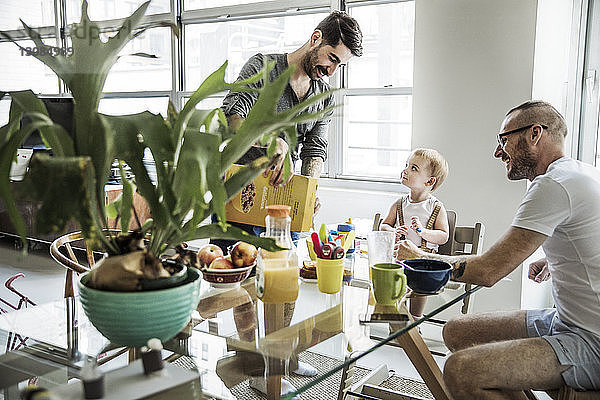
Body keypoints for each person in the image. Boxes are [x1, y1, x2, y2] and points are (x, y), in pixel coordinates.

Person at [395, 100, 600, 398]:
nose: (497, 151)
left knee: (461, 370)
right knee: (456, 331)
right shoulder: (578, 173)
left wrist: (422, 258)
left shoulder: (553, 185)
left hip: (591, 339)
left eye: (503, 140)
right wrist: (552, 259)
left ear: (534, 134)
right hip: (566, 320)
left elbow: (488, 271)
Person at [211, 10, 363, 252]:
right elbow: (231, 119)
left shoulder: (323, 98)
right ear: (316, 38)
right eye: (332, 59)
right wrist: (272, 141)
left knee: (280, 282)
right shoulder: (262, 66)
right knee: (231, 283)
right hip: (238, 203)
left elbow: (315, 151)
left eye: (340, 65)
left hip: (283, 212)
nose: (332, 71)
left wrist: (309, 192)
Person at [380, 148, 450, 320]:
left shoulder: (436, 207)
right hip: (400, 257)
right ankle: (398, 319)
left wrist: (423, 232)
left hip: (424, 259)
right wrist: (394, 231)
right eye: (406, 165)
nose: (405, 170)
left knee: (420, 288)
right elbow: (384, 226)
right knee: (397, 288)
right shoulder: (399, 204)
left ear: (429, 181)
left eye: (414, 168)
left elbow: (443, 236)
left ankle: (416, 319)